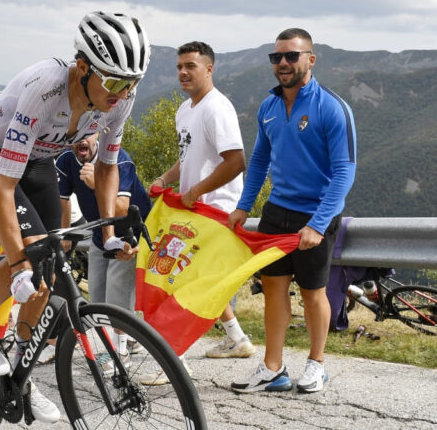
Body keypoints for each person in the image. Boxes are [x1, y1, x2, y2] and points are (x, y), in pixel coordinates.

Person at [0, 11, 150, 423]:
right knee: (28, 255)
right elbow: (1, 189)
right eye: (116, 82)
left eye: (133, 83)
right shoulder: (44, 88)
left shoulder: (122, 97)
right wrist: (17, 263)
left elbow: (106, 167)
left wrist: (110, 234)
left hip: (40, 158)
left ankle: (19, 377)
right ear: (83, 67)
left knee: (45, 275)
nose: (124, 93)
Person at [228, 28, 357, 394]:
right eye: (277, 57)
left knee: (313, 291)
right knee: (272, 289)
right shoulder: (269, 107)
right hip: (276, 212)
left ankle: (316, 365)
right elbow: (259, 160)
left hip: (316, 214)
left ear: (310, 59)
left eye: (292, 56)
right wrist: (243, 206)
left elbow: (345, 171)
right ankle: (273, 369)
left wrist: (317, 224)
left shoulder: (331, 107)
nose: (283, 63)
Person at [149, 41, 254, 368]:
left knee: (183, 281)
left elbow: (236, 161)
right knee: (197, 280)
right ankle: (237, 339)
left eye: (191, 66)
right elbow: (187, 157)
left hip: (216, 211)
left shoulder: (216, 107)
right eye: (180, 67)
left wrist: (197, 191)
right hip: (193, 212)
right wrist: (165, 180)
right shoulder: (185, 110)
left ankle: (171, 362)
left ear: (209, 69)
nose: (183, 72)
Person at [56, 132, 152, 371]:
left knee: (117, 295)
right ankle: (128, 339)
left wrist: (96, 183)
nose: (82, 141)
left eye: (88, 134)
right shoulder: (66, 160)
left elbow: (121, 209)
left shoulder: (119, 159)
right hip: (100, 233)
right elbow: (63, 199)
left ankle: (120, 354)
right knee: (97, 297)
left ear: (98, 134)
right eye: (77, 135)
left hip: (129, 232)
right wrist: (65, 232)